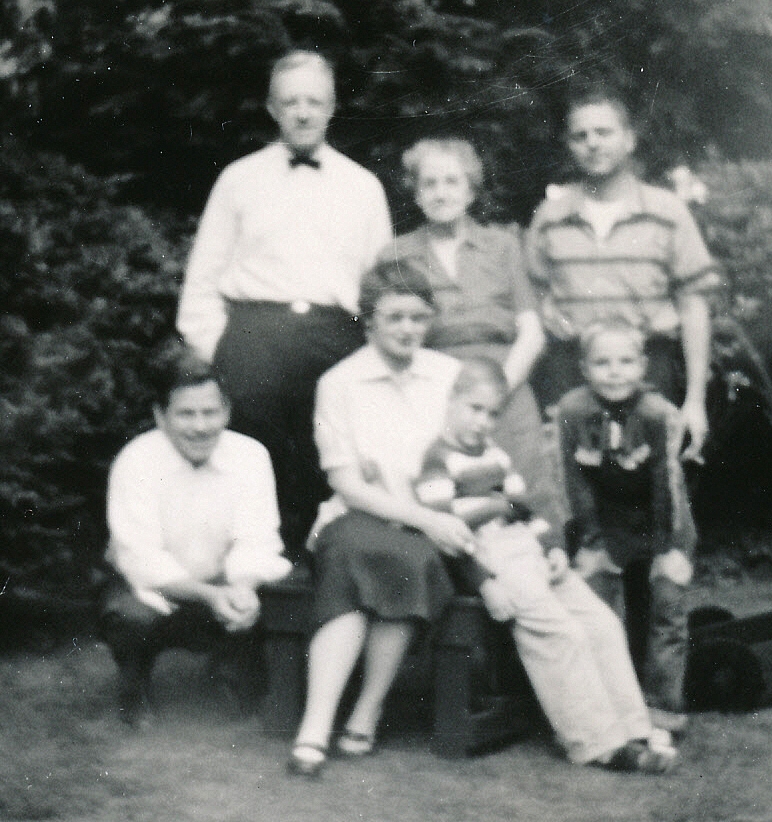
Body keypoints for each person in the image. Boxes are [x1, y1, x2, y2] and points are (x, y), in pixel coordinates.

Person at [176, 50, 392, 564]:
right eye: (291, 102)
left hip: (335, 337)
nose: (303, 113)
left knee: (330, 455)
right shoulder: (239, 179)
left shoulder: (363, 187)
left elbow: (380, 285)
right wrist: (219, 348)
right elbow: (203, 276)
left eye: (314, 102)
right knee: (251, 458)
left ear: (331, 108)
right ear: (273, 109)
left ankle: (325, 576)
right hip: (255, 337)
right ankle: (251, 577)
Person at [414, 357, 678, 771]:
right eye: (474, 409)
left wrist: (553, 549)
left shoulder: (497, 457)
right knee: (563, 634)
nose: (483, 422)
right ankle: (596, 742)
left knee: (602, 624)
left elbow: (525, 513)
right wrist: (485, 582)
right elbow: (449, 536)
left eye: (492, 414)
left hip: (527, 552)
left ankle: (633, 729)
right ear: (451, 401)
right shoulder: (437, 461)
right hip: (489, 561)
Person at [287, 259, 471, 777]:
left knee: (409, 558)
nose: (408, 329)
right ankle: (316, 725)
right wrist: (418, 517)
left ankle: (366, 708)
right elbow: (348, 484)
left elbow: (467, 454)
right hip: (357, 517)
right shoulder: (339, 383)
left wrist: (433, 518)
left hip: (431, 522)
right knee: (357, 558)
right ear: (369, 322)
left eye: (418, 317)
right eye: (395, 318)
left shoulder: (448, 376)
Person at [99, 342, 292, 727]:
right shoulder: (135, 461)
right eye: (186, 414)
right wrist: (209, 595)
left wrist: (243, 589)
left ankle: (230, 666)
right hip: (149, 590)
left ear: (227, 412)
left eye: (210, 412)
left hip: (222, 584)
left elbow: (257, 538)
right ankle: (134, 680)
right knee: (130, 616)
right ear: (160, 416)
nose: (201, 427)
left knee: (270, 602)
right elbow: (141, 559)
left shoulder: (251, 456)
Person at [526, 85, 723, 463]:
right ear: (570, 146)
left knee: (653, 480)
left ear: (629, 140)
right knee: (571, 484)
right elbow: (534, 299)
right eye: (580, 136)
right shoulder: (551, 217)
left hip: (648, 369)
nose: (592, 143)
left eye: (604, 132)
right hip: (571, 372)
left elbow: (694, 307)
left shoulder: (667, 212)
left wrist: (695, 400)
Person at [381, 138, 558, 521]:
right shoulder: (397, 253)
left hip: (506, 384)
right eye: (429, 183)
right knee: (445, 498)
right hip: (435, 392)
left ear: (471, 190)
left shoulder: (503, 246)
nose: (441, 193)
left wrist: (495, 392)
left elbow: (531, 333)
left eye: (452, 181)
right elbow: (389, 337)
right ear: (416, 193)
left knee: (526, 497)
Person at [557, 320, 697, 731]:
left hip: (662, 519)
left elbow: (666, 483)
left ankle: (662, 705)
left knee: (665, 604)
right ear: (584, 368)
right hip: (606, 519)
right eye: (602, 363)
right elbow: (575, 481)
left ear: (643, 366)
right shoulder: (572, 411)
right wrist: (592, 540)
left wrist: (666, 549)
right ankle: (605, 703)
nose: (614, 372)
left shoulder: (657, 413)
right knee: (595, 604)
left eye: (625, 361)